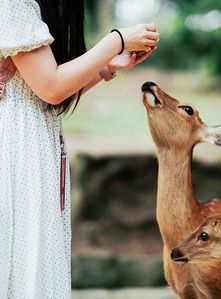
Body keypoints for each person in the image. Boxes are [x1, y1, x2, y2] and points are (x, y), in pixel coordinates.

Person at [0, 0, 159, 298]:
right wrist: (117, 40)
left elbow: (46, 95)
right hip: (15, 154)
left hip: (34, 149)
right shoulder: (14, 3)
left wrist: (105, 67)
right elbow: (51, 87)